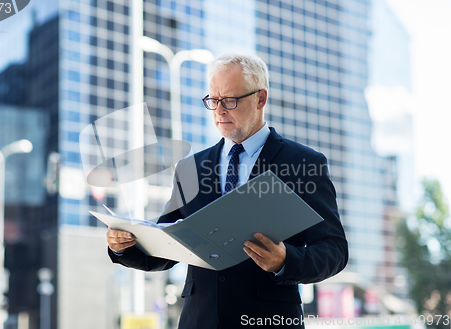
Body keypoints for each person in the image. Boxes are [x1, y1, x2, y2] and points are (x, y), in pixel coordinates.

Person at [106, 52, 348, 328]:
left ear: (261, 99)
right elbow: (167, 246)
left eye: (230, 100)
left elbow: (334, 250)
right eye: (213, 100)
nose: (219, 110)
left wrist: (285, 260)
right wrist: (125, 247)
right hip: (200, 319)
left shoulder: (303, 163)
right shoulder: (190, 169)